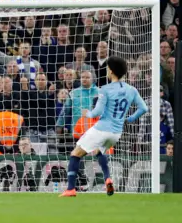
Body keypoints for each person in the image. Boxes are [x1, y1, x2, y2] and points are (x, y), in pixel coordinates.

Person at [60, 56, 148, 197]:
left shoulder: (105, 89)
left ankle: (70, 189)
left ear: (111, 71)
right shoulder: (132, 90)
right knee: (99, 152)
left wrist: (87, 113)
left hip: (101, 129)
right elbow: (144, 108)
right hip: (116, 133)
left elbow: (98, 111)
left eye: (107, 68)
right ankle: (108, 178)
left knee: (75, 154)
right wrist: (131, 118)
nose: (106, 70)